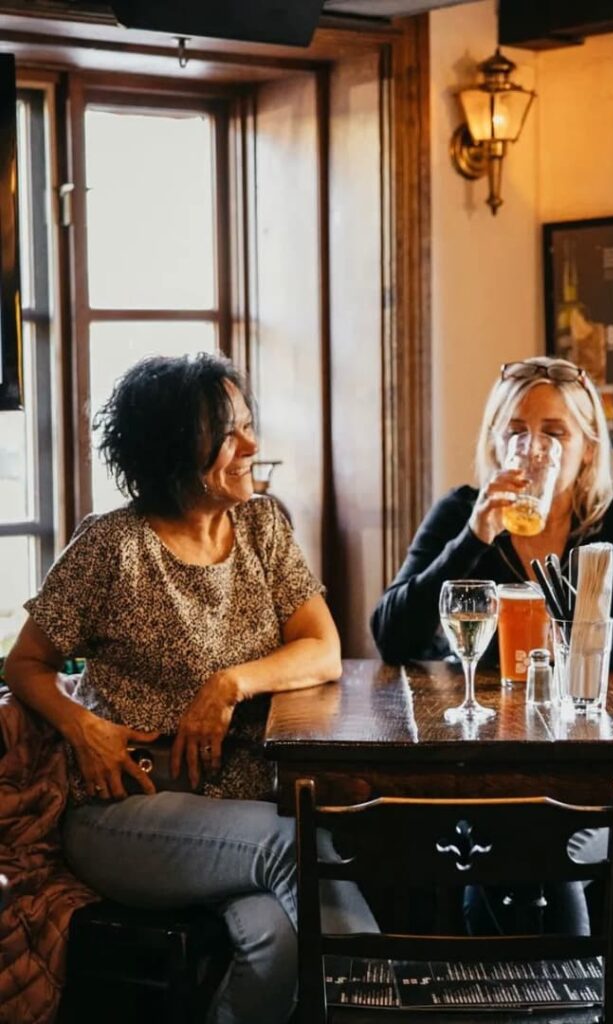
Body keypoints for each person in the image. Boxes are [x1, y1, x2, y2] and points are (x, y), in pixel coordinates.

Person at [4, 353, 376, 1024]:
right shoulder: (111, 547)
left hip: (243, 806)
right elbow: (24, 663)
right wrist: (82, 726)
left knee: (275, 940)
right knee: (296, 845)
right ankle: (389, 1008)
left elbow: (324, 650)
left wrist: (229, 684)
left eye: (249, 425)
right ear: (178, 445)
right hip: (127, 812)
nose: (252, 446)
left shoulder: (264, 528)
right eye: (230, 433)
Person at [372, 356, 613, 667]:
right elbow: (390, 638)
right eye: (516, 431)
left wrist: (592, 651)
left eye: (555, 433)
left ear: (588, 449)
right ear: (495, 442)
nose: (533, 449)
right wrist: (472, 539)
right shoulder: (463, 513)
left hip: (589, 728)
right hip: (483, 727)